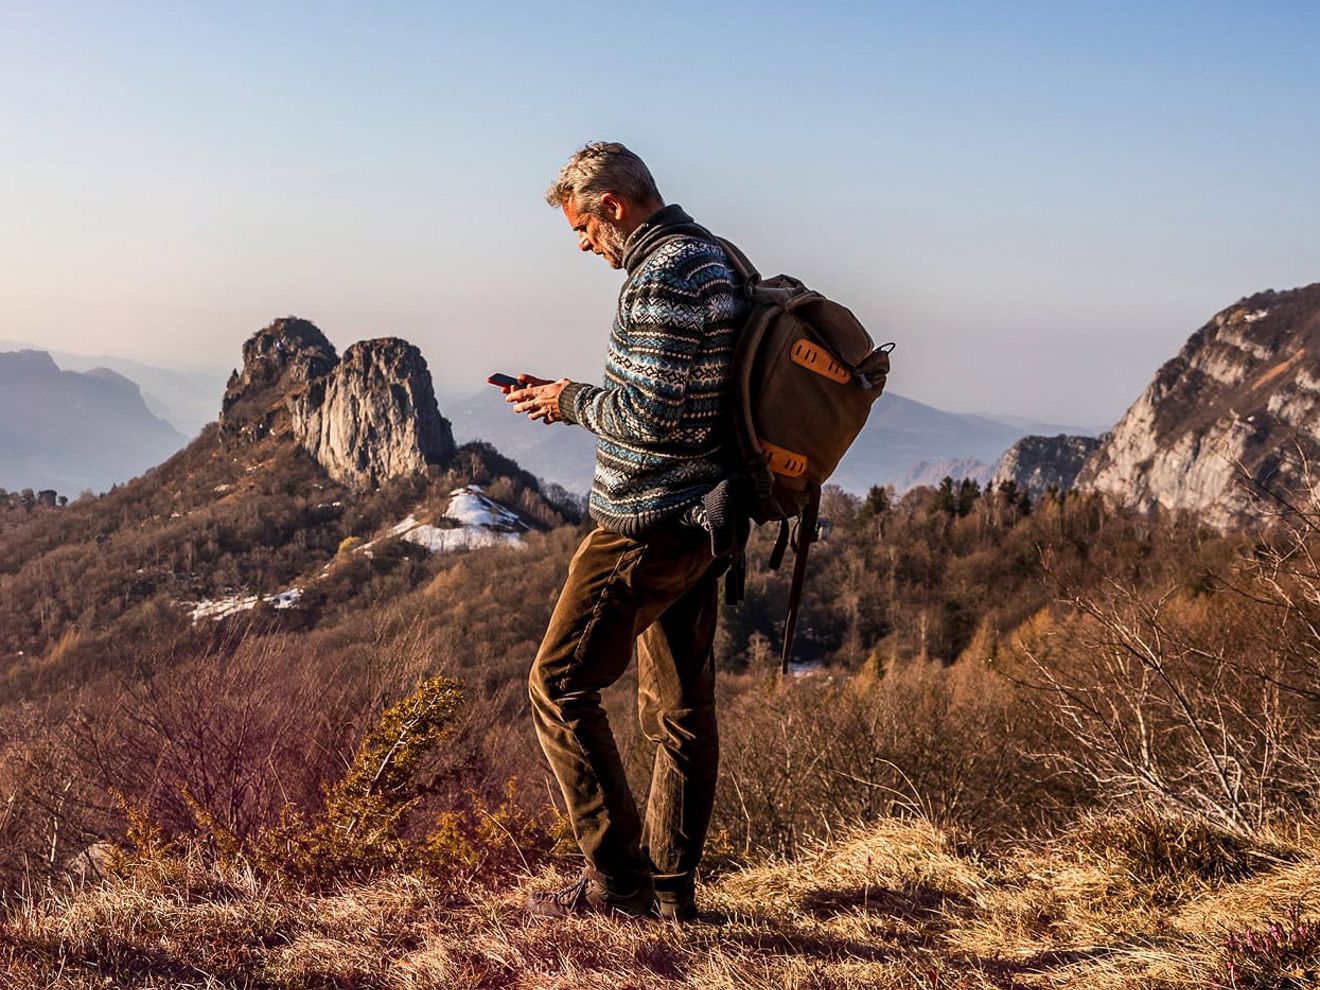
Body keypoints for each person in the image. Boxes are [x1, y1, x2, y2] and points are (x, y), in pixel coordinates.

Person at [505, 142, 748, 921]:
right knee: (682, 710)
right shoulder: (714, 255)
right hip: (705, 518)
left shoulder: (663, 276)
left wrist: (566, 399)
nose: (581, 244)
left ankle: (619, 885)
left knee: (558, 684)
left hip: (645, 521)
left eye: (581, 227)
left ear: (611, 205)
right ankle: (673, 892)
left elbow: (648, 416)